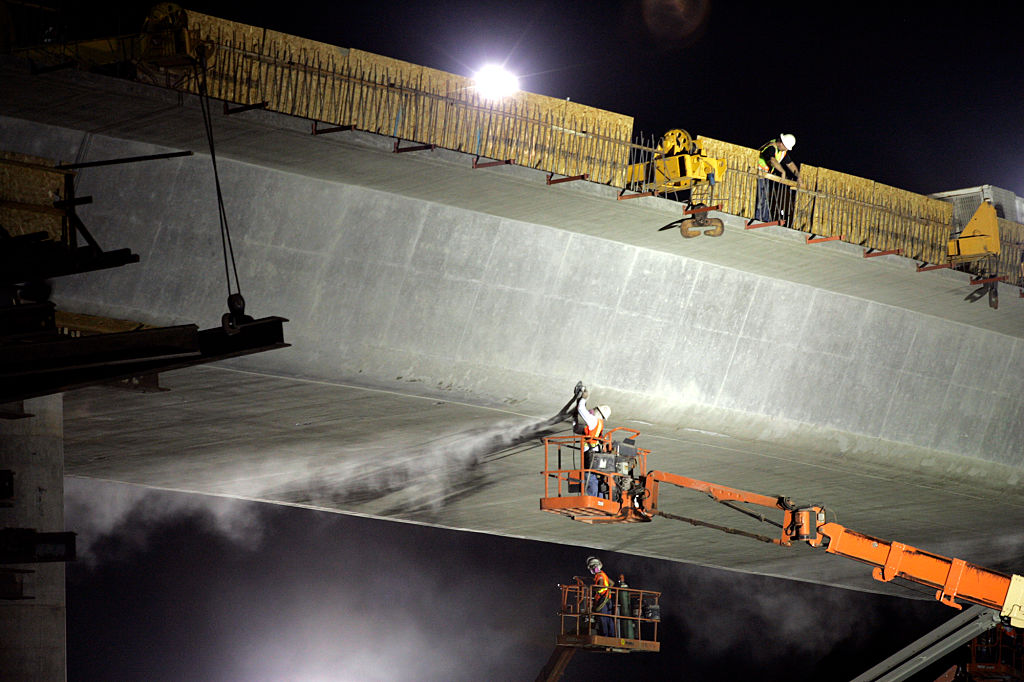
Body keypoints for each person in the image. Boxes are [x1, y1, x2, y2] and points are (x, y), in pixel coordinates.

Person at [572, 387, 611, 498]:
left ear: (599, 412)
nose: (592, 410)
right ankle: (600, 500)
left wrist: (584, 398)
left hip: (590, 454)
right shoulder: (598, 424)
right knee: (595, 478)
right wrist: (574, 418)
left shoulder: (593, 420)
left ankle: (594, 499)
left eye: (595, 409)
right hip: (595, 453)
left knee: (590, 477)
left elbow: (580, 409)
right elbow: (577, 430)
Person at [754, 133, 800, 223]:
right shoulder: (771, 147)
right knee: (761, 197)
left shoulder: (781, 151)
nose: (786, 149)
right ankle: (760, 219)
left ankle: (765, 218)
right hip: (757, 173)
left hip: (764, 175)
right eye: (786, 147)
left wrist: (798, 176)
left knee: (764, 197)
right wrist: (782, 171)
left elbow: (790, 164)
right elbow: (772, 160)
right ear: (781, 143)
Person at [586, 556, 615, 637]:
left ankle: (604, 636)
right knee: (608, 618)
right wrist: (607, 590)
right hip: (608, 599)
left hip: (603, 599)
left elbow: (601, 586)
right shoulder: (603, 574)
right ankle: (611, 636)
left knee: (602, 618)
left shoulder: (599, 575)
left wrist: (592, 588)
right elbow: (612, 583)